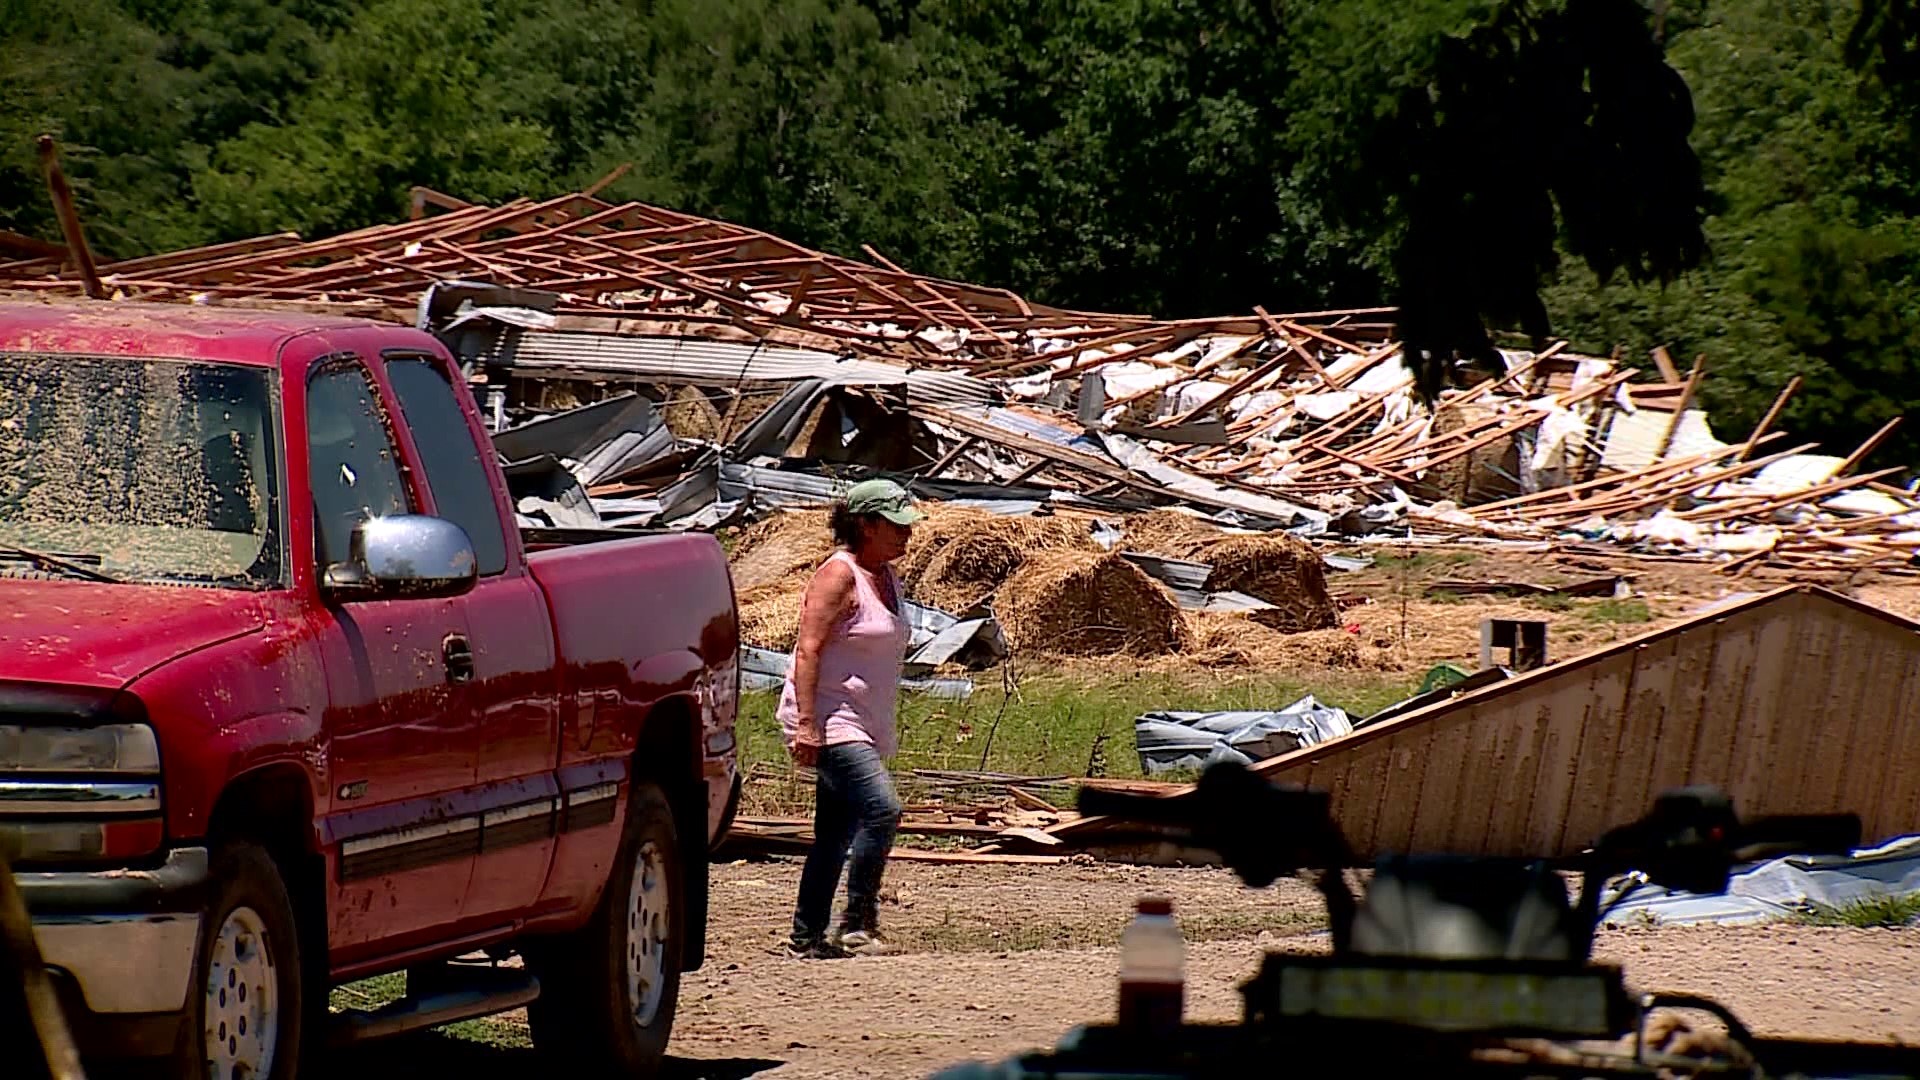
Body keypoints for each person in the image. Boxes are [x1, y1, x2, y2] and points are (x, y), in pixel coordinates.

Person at [781, 478, 924, 958]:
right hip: (831, 717)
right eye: (895, 526)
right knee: (882, 809)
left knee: (834, 835)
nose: (905, 535)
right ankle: (859, 923)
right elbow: (808, 648)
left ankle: (806, 937)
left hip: (865, 719)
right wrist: (806, 723)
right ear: (866, 525)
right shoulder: (838, 575)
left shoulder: (886, 575)